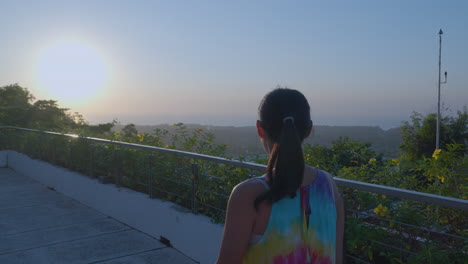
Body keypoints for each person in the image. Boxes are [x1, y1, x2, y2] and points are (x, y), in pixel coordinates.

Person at [216, 88, 344, 264]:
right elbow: (336, 257)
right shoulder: (328, 185)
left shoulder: (248, 195)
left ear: (260, 129)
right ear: (308, 130)